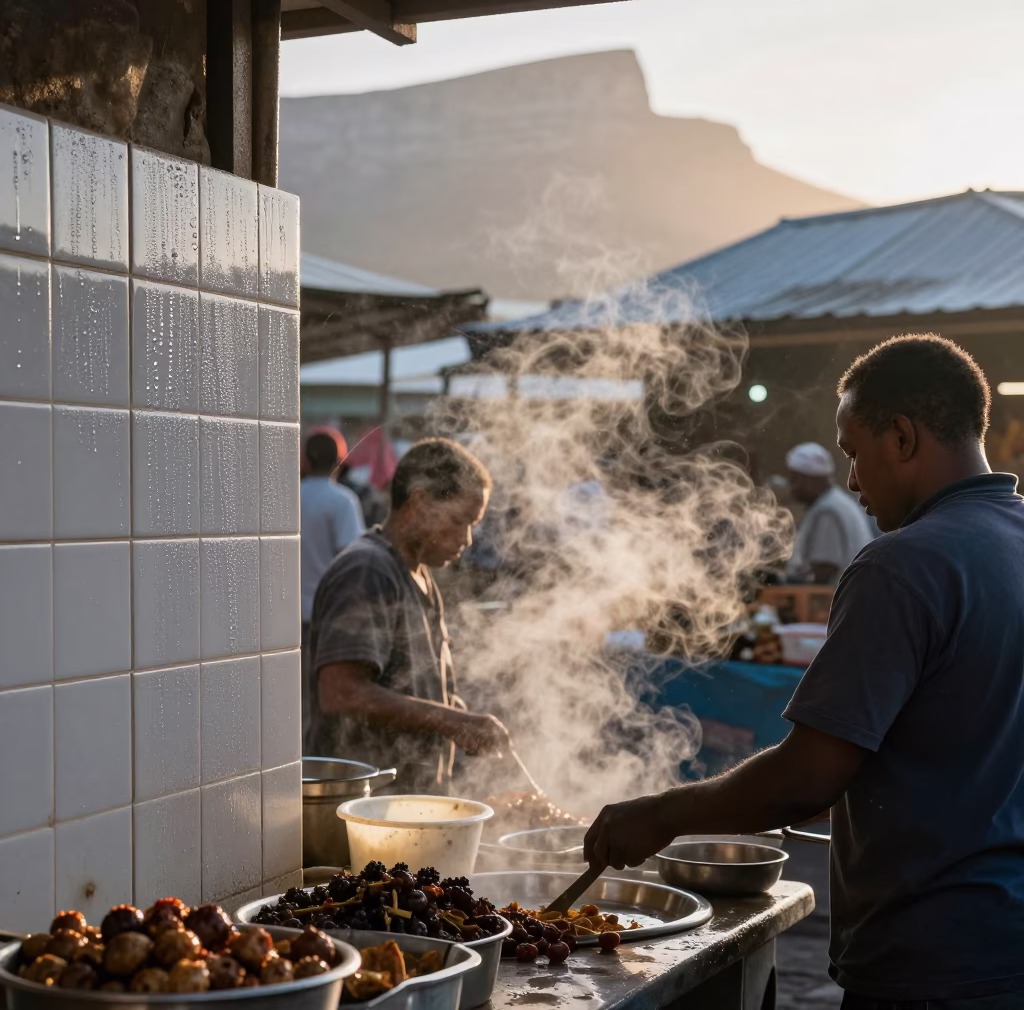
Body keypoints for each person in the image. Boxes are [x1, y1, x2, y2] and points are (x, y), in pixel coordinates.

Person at [584, 335, 1024, 1008]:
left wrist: (662, 813)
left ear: (902, 438)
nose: (852, 482)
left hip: (933, 960)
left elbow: (807, 779)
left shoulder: (902, 565)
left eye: (854, 452)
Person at [306, 437, 512, 793]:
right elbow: (341, 692)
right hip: (364, 809)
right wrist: (453, 721)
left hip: (407, 809)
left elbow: (413, 686)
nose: (467, 540)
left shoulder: (420, 576)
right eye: (460, 520)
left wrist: (465, 720)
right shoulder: (367, 569)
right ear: (418, 502)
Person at [300, 429, 365, 742]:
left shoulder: (289, 497)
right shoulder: (343, 502)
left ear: (305, 459)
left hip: (288, 618)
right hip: (327, 620)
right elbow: (353, 561)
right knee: (322, 705)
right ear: (341, 460)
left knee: (294, 700)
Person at [785, 441, 875, 585]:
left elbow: (824, 571)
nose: (792, 487)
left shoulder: (827, 511)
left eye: (795, 480)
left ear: (811, 479)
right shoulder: (837, 502)